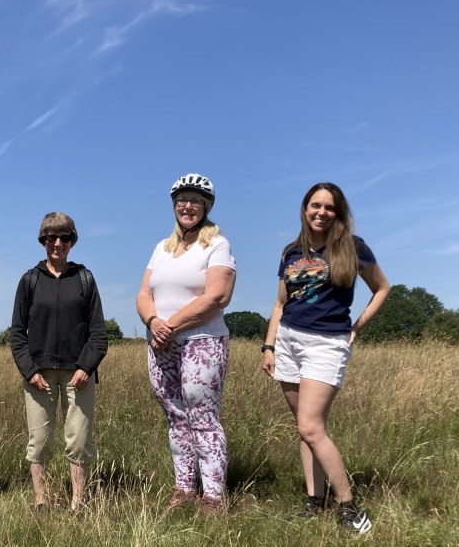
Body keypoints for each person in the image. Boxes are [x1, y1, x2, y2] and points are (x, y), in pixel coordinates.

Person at [260, 182, 389, 535]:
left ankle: (349, 508)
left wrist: (357, 326)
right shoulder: (291, 251)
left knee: (310, 427)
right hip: (288, 341)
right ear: (305, 209)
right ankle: (314, 503)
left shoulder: (352, 247)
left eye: (329, 207)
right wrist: (269, 347)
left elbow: (382, 288)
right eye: (315, 205)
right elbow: (279, 304)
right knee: (306, 430)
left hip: (326, 344)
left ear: (338, 212)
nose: (321, 212)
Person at [135, 173, 236, 513]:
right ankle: (184, 488)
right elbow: (144, 292)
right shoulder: (162, 248)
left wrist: (171, 325)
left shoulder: (217, 244)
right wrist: (152, 322)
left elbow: (218, 295)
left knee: (203, 417)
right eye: (182, 200)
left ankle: (213, 496)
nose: (187, 206)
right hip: (160, 344)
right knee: (176, 416)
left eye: (195, 200)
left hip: (202, 341)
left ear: (206, 206)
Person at [9, 212, 108, 511]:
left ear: (72, 241)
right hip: (38, 376)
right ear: (42, 241)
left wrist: (86, 366)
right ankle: (41, 500)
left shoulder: (84, 279)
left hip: (79, 375)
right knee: (38, 441)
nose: (57, 243)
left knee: (78, 440)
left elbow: (98, 334)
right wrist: (29, 370)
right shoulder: (29, 280)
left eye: (64, 237)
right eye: (51, 237)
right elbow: (17, 333)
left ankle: (78, 502)